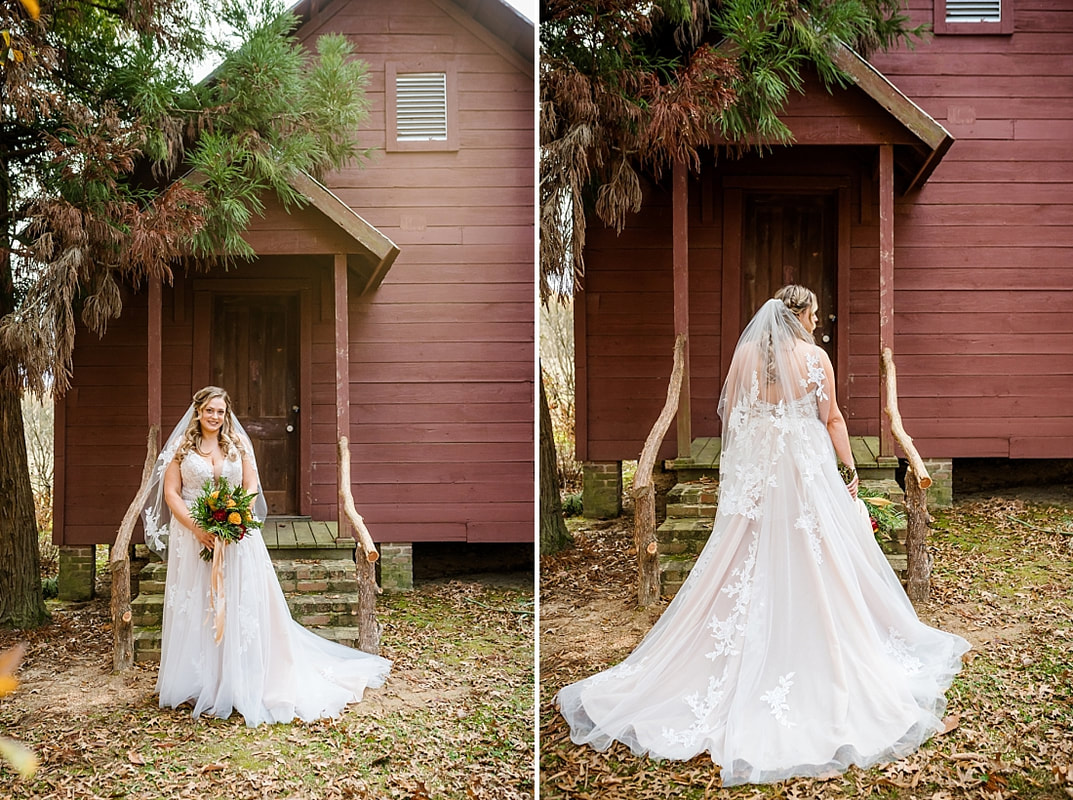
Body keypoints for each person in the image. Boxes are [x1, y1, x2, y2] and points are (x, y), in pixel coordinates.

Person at [556, 286, 970, 786]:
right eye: (814, 313)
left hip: (761, 475)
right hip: (804, 469)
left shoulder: (746, 355)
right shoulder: (815, 358)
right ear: (798, 315)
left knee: (748, 555)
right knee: (818, 554)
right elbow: (832, 418)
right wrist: (848, 466)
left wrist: (744, 468)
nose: (817, 321)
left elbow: (733, 415)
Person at [142, 386, 391, 727]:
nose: (215, 416)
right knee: (201, 604)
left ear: (226, 414)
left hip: (238, 535)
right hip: (194, 537)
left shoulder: (238, 444)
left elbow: (250, 486)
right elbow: (171, 493)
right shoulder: (182, 449)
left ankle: (244, 678)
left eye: (220, 411)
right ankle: (201, 681)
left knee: (243, 603)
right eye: (209, 410)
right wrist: (199, 529)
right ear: (198, 411)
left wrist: (235, 518)